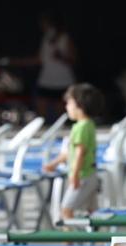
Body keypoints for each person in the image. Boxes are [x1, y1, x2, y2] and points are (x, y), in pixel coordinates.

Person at [43, 83, 103, 221]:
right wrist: (54, 164)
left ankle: (70, 242)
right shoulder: (89, 125)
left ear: (79, 105)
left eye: (69, 103)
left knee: (66, 210)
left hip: (82, 176)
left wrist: (74, 175)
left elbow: (79, 153)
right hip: (91, 174)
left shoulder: (79, 128)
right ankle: (94, 239)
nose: (66, 107)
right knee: (92, 212)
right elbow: (71, 153)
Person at [34, 10, 77, 122]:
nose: (42, 25)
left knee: (61, 114)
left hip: (63, 81)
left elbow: (73, 59)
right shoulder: (45, 38)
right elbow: (40, 59)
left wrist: (61, 57)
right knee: (40, 110)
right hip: (46, 81)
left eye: (44, 23)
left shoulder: (64, 37)